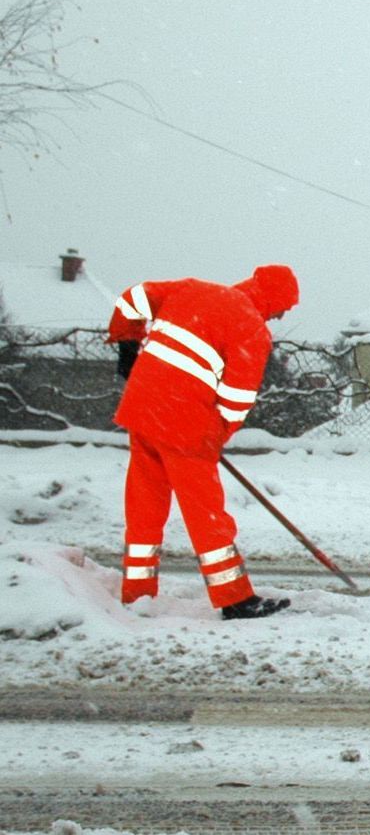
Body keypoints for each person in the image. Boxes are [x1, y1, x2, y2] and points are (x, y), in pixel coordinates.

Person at [107, 265, 300, 620]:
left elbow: (134, 298)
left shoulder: (193, 290)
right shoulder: (251, 329)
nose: (280, 316)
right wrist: (215, 438)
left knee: (144, 505)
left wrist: (127, 343)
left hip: (142, 407)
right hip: (184, 424)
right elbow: (236, 400)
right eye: (283, 308)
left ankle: (137, 593)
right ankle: (234, 598)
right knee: (206, 514)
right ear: (273, 300)